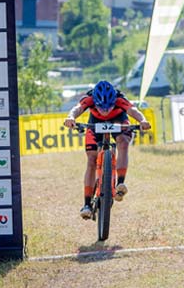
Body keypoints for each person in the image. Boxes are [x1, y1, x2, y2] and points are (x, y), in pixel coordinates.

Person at [63, 80, 151, 220]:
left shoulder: (120, 99)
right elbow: (77, 108)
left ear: (114, 101)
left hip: (118, 121)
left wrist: (143, 120)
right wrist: (71, 117)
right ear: (95, 102)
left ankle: (120, 184)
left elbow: (133, 111)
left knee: (123, 142)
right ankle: (86, 205)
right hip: (95, 124)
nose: (105, 111)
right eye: (101, 107)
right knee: (91, 160)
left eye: (109, 107)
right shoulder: (90, 98)